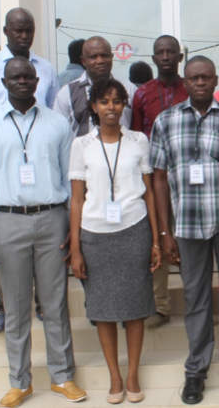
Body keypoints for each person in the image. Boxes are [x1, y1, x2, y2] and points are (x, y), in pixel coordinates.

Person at [0, 57, 86, 407]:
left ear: (37, 82)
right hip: (7, 221)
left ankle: (62, 376)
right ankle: (19, 382)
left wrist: (71, 227)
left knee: (55, 303)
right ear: (4, 83)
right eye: (15, 77)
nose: (22, 81)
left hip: (51, 219)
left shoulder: (57, 124)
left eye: (28, 77)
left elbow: (70, 180)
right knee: (16, 307)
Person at [150, 55, 219, 404]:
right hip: (186, 225)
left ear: (216, 81)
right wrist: (165, 233)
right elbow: (158, 179)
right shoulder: (165, 121)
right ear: (185, 82)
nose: (200, 83)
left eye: (206, 78)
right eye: (193, 78)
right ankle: (196, 370)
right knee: (197, 298)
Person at [0, 7, 59, 333]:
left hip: (37, 168)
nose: (23, 36)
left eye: (28, 30)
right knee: (4, 246)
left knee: (41, 242)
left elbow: (51, 112)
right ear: (5, 31)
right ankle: (5, 305)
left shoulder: (45, 68)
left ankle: (43, 304)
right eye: (17, 30)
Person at [69, 78, 161, 404]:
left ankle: (133, 373)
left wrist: (155, 240)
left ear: (124, 105)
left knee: (135, 309)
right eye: (104, 101)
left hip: (134, 230)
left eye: (117, 101)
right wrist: (76, 248)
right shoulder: (82, 145)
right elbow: (77, 199)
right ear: (93, 106)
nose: (111, 107)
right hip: (94, 236)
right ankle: (114, 376)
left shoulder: (138, 141)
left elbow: (149, 193)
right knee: (104, 310)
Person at [131, 34, 188, 329]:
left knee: (190, 240)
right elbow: (137, 137)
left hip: (187, 176)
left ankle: (196, 303)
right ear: (153, 59)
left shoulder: (190, 89)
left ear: (179, 57)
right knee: (159, 236)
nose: (165, 56)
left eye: (171, 52)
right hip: (154, 178)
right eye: (160, 52)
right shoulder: (142, 94)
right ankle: (160, 305)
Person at [55, 36, 136, 136]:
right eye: (93, 57)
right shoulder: (67, 93)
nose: (100, 61)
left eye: (104, 55)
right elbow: (59, 132)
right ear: (83, 61)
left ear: (111, 57)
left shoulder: (129, 89)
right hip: (81, 151)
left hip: (123, 150)